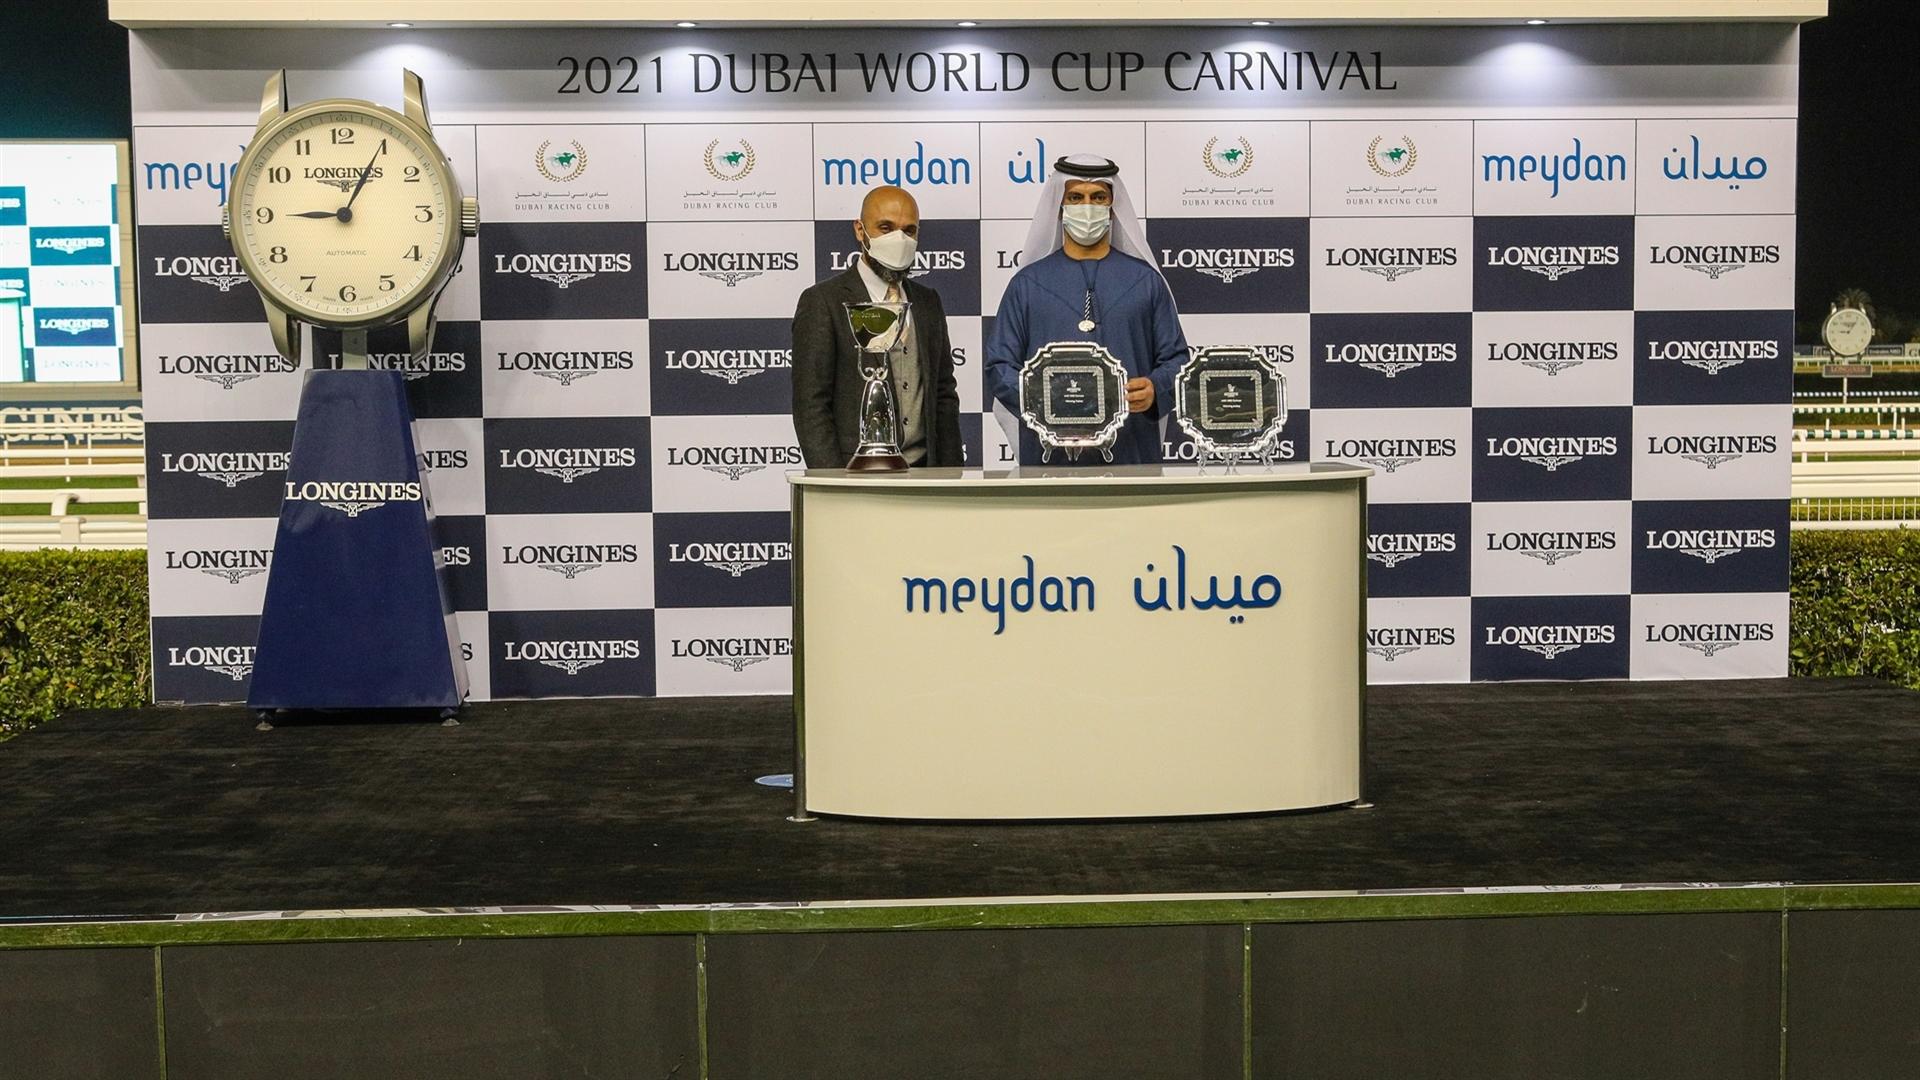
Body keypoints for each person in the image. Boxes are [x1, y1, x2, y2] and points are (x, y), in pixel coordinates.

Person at [984, 155, 1189, 465]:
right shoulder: (1025, 284)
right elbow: (999, 366)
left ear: (1112, 206)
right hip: (1047, 461)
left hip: (1130, 456)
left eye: (1099, 197)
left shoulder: (1147, 281)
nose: (1088, 206)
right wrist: (1040, 399)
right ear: (1059, 206)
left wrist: (1153, 389)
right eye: (1076, 197)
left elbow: (1176, 360)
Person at [791, 185, 963, 468]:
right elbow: (811, 405)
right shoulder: (823, 302)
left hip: (926, 475)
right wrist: (833, 483)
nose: (899, 239)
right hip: (854, 475)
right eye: (886, 227)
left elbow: (943, 395)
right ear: (860, 230)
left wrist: (953, 476)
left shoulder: (928, 301)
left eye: (909, 231)